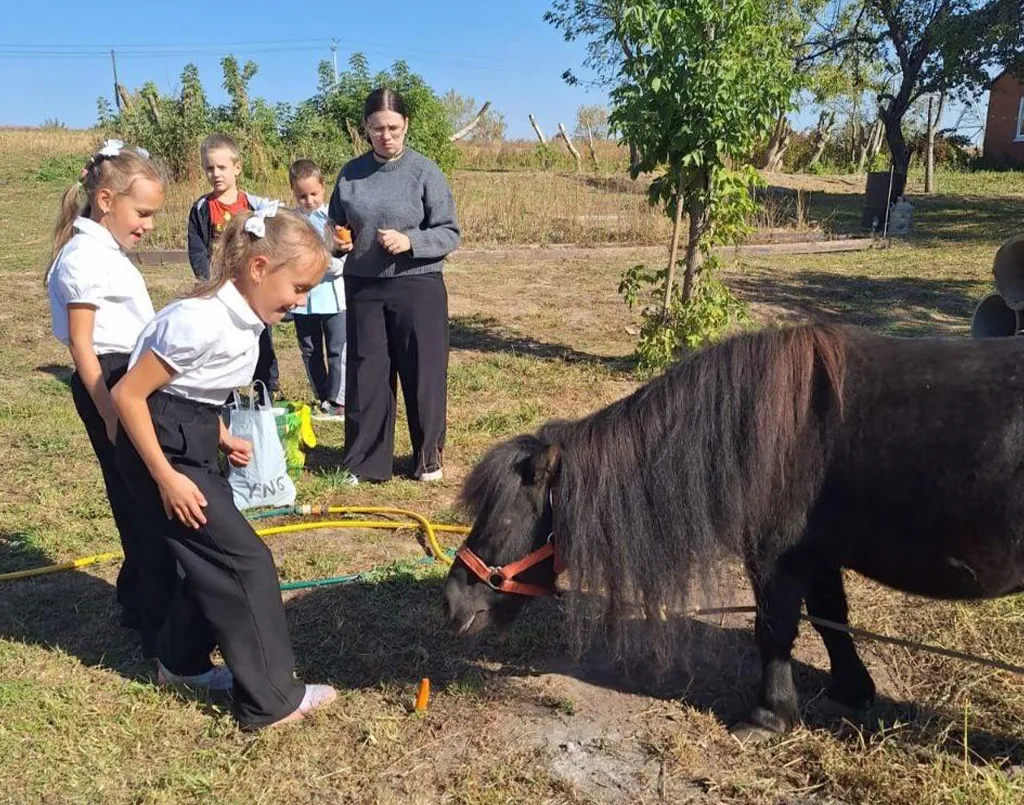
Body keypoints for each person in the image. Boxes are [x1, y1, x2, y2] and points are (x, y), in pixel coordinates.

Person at [111, 206, 337, 729]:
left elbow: (190, 392)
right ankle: (273, 699)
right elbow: (131, 395)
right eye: (298, 287)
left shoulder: (243, 317)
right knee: (247, 563)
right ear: (258, 268)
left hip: (186, 438)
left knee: (212, 559)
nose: (301, 301)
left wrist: (218, 434)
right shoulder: (200, 320)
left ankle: (180, 663)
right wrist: (167, 478)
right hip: (159, 454)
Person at [45, 138, 174, 656]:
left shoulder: (107, 251)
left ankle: (136, 595)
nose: (148, 224)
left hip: (124, 377)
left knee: (135, 491)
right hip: (113, 382)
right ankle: (155, 618)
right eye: (141, 212)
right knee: (140, 499)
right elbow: (82, 343)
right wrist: (111, 411)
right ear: (105, 201)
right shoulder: (83, 256)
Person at [328, 87, 461, 483]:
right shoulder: (350, 174)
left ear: (406, 126)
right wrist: (337, 242)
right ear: (365, 130)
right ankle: (366, 463)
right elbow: (335, 225)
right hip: (363, 285)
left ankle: (427, 458)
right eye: (377, 129)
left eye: (393, 128)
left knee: (424, 371)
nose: (386, 136)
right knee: (367, 374)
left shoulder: (425, 171)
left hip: (417, 284)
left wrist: (412, 242)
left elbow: (450, 232)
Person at [187, 133, 278, 401]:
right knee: (223, 342)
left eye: (222, 167)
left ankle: (265, 391)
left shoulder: (255, 206)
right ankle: (224, 395)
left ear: (237, 167)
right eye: (209, 168)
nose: (216, 174)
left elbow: (268, 243)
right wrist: (210, 282)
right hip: (220, 288)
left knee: (260, 338)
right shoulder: (202, 208)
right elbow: (197, 249)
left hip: (252, 287)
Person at [289, 159, 346, 421]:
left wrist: (325, 262)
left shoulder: (333, 219)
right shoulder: (290, 221)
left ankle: (338, 400)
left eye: (313, 194)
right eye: (302, 196)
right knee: (310, 350)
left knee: (337, 349)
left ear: (323, 188)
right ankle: (322, 396)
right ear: (293, 192)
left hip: (334, 299)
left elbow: (343, 259)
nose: (308, 200)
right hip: (303, 300)